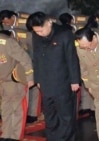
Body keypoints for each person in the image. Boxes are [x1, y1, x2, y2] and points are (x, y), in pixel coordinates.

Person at [26, 11, 81, 141]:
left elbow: (72, 58)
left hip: (64, 81)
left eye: (41, 30)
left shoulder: (64, 34)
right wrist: (38, 79)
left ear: (49, 22)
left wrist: (75, 80)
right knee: (50, 115)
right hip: (46, 81)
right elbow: (37, 58)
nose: (40, 34)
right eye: (37, 31)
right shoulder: (36, 35)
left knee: (65, 116)